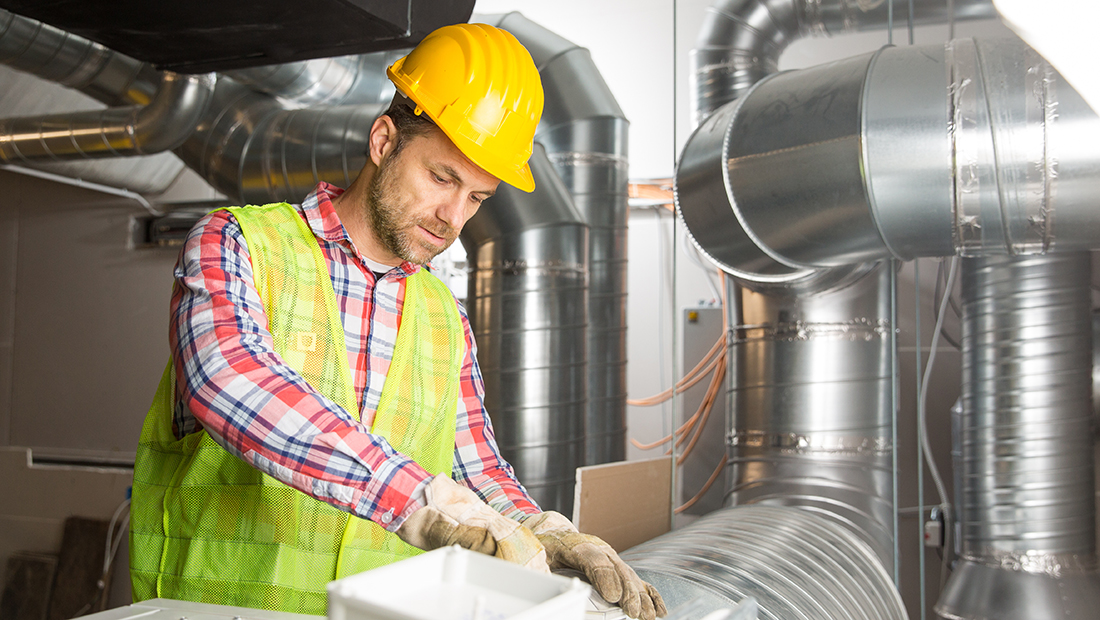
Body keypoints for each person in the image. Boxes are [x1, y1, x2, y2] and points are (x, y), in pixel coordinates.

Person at [128, 22, 665, 620]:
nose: (452, 217)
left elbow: (474, 467)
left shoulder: (444, 315)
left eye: (477, 199)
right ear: (383, 141)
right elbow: (231, 380)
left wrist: (539, 529)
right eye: (442, 177)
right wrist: (420, 500)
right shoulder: (237, 244)